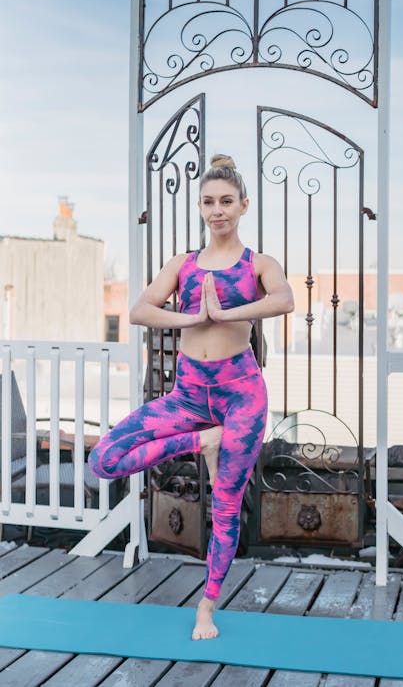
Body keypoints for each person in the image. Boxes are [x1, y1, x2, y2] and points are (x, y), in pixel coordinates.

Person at [88, 154, 294, 640]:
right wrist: (191, 318)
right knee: (105, 459)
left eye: (226, 201)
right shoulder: (182, 265)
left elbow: (284, 299)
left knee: (225, 506)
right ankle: (201, 443)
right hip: (188, 398)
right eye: (208, 202)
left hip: (241, 397)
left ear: (243, 205)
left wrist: (227, 314)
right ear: (199, 207)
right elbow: (139, 311)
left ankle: (207, 606)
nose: (216, 210)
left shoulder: (257, 264)